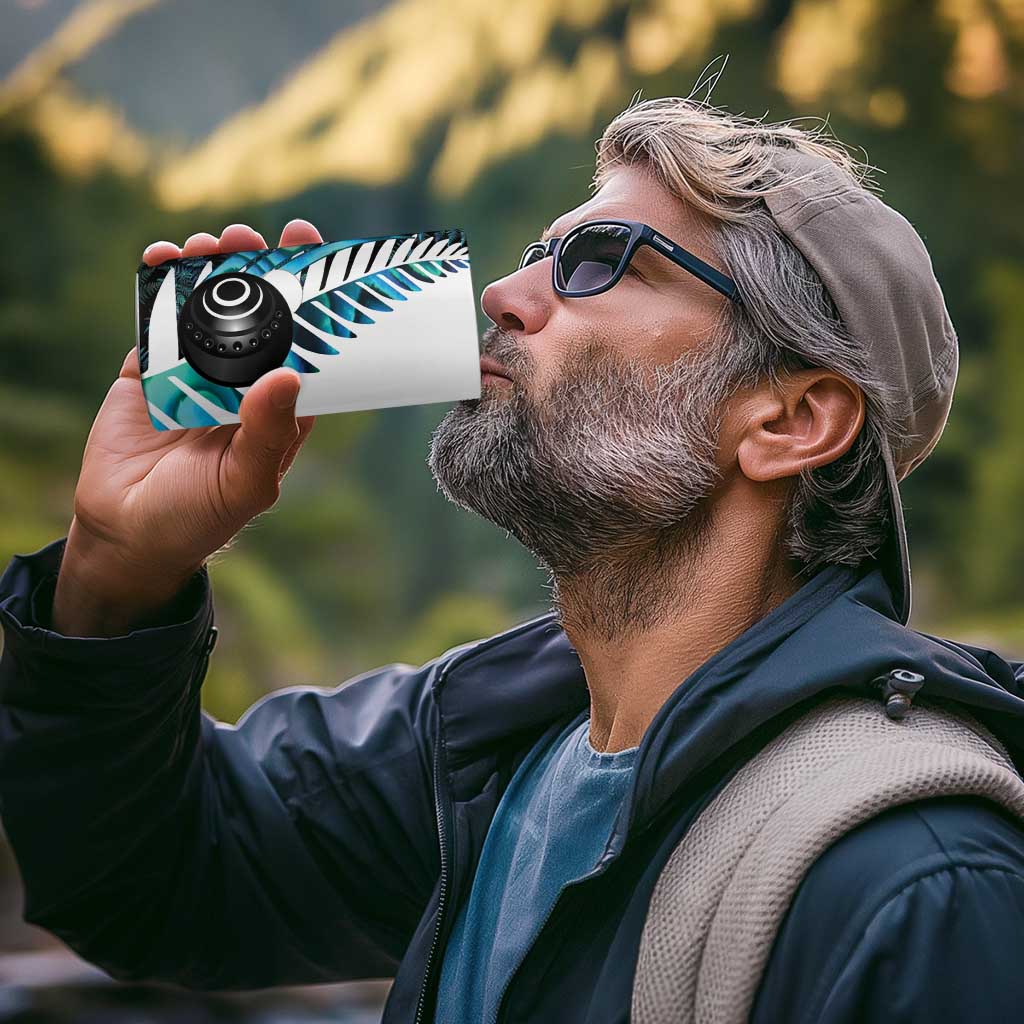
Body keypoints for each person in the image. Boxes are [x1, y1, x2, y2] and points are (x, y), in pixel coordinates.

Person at [2, 95, 1024, 1024]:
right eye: (541, 252)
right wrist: (116, 573)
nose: (502, 291)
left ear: (790, 421)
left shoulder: (918, 886)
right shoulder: (482, 746)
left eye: (601, 261)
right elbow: (150, 879)